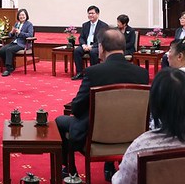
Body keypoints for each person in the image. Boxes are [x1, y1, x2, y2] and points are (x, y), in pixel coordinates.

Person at [55, 29, 149, 169]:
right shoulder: (142, 74)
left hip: (97, 135)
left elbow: (77, 108)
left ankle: (70, 171)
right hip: (132, 135)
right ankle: (109, 167)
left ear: (102, 47)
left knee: (60, 121)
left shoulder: (94, 72)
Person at [72, 5, 109, 81]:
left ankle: (93, 73)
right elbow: (81, 37)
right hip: (86, 46)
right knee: (77, 51)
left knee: (93, 52)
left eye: (92, 13)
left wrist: (91, 47)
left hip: (96, 46)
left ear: (97, 14)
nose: (90, 15)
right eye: (89, 13)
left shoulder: (103, 25)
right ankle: (80, 73)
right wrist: (83, 45)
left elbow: (102, 39)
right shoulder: (85, 25)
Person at [0, 8, 34, 76]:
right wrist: (11, 32)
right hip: (14, 42)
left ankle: (8, 69)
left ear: (26, 16)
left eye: (23, 15)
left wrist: (20, 33)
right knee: (1, 50)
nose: (21, 17)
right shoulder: (17, 24)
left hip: (23, 44)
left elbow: (30, 35)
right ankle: (11, 66)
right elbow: (10, 35)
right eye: (20, 15)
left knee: (9, 50)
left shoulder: (29, 24)